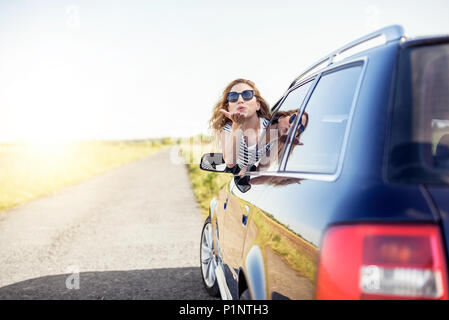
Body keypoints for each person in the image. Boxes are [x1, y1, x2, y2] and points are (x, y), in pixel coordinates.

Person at [209, 79, 271, 172]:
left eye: (247, 95)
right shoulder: (227, 130)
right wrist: (236, 126)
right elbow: (230, 162)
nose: (240, 100)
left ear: (258, 105)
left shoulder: (271, 125)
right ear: (229, 108)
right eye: (233, 97)